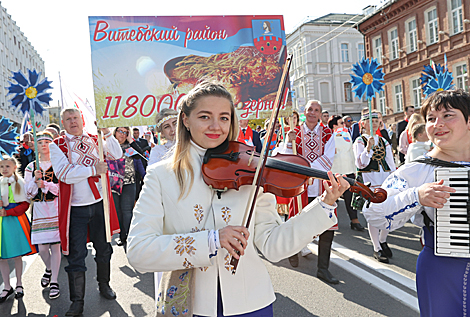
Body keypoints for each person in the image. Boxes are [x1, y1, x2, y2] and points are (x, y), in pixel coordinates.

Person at [127, 81, 349, 316]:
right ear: (185, 120)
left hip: (252, 304)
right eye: (204, 117)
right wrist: (211, 241)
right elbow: (139, 251)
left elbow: (274, 246)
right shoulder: (161, 176)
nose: (216, 126)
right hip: (192, 307)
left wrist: (323, 205)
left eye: (224, 118)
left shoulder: (251, 170)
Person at [363, 89, 470, 316]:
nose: (437, 124)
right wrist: (416, 196)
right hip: (445, 269)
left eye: (448, 115)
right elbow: (374, 212)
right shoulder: (419, 169)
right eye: (431, 118)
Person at [49, 108, 122, 316]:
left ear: (82, 119)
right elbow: (64, 174)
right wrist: (93, 170)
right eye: (68, 119)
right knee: (76, 256)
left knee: (104, 248)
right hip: (75, 209)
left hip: (100, 204)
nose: (73, 122)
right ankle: (77, 302)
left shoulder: (94, 138)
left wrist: (107, 133)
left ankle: (104, 285)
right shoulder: (58, 145)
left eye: (75, 118)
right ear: (63, 123)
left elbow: (116, 154)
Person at [281, 100, 337, 284]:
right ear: (305, 113)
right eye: (310, 110)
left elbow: (329, 157)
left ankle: (323, 269)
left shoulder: (328, 133)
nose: (313, 113)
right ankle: (294, 251)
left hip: (321, 184)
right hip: (299, 184)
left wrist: (308, 170)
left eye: (316, 110)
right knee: (297, 220)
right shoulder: (294, 132)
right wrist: (289, 143)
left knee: (327, 227)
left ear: (320, 114)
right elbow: (285, 156)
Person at [353, 111, 396, 263]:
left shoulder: (384, 141)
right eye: (370, 121)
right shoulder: (359, 141)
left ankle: (383, 240)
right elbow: (360, 164)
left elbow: (390, 162)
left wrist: (396, 178)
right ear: (363, 124)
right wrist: (368, 148)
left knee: (389, 213)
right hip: (370, 181)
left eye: (376, 121)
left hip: (385, 181)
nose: (374, 124)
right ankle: (376, 247)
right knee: (374, 215)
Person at [24, 131, 61, 299]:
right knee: (43, 248)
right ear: (36, 146)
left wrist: (45, 183)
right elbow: (28, 193)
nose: (44, 144)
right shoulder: (31, 167)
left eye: (47, 141)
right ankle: (49, 268)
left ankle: (54, 281)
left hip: (55, 208)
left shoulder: (59, 163)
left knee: (55, 246)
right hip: (39, 210)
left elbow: (62, 190)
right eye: (41, 142)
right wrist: (34, 180)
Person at [0, 156, 37, 303]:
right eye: (2, 166)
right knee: (1, 256)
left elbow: (24, 205)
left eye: (7, 166)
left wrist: (8, 211)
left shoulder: (19, 183)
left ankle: (19, 284)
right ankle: (7, 286)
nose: (4, 169)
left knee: (16, 255)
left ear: (15, 167)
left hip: (15, 221)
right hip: (1, 222)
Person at [328, 115, 365, 231]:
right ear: (334, 125)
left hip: (348, 170)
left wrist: (354, 170)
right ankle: (329, 221)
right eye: (340, 123)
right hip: (336, 171)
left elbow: (350, 152)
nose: (343, 125)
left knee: (350, 196)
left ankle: (354, 220)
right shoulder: (329, 136)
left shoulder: (346, 134)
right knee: (332, 197)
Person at [112, 127, 146, 250]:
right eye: (120, 131)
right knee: (118, 211)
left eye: (125, 132)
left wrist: (131, 140)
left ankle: (129, 236)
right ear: (115, 132)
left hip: (129, 182)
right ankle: (121, 236)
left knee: (127, 211)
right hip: (114, 184)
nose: (122, 134)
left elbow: (140, 156)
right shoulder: (109, 145)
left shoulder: (129, 148)